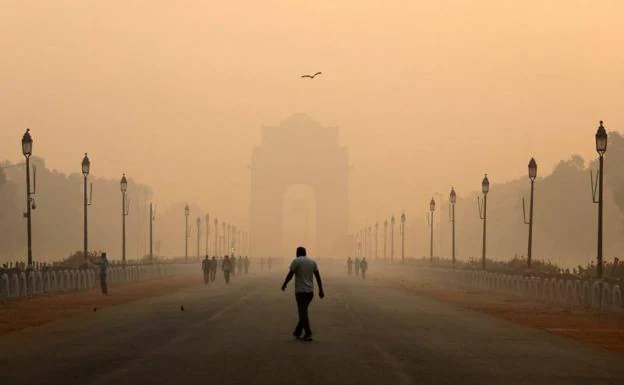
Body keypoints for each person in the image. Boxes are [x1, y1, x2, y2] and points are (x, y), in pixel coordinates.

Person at [281, 246, 324, 342]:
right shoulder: (312, 262)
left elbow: (290, 274)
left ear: (297, 253)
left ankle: (308, 333)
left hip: (300, 291)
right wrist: (321, 289)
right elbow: (318, 276)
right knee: (303, 311)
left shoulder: (296, 261)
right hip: (310, 292)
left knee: (302, 313)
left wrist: (284, 284)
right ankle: (297, 331)